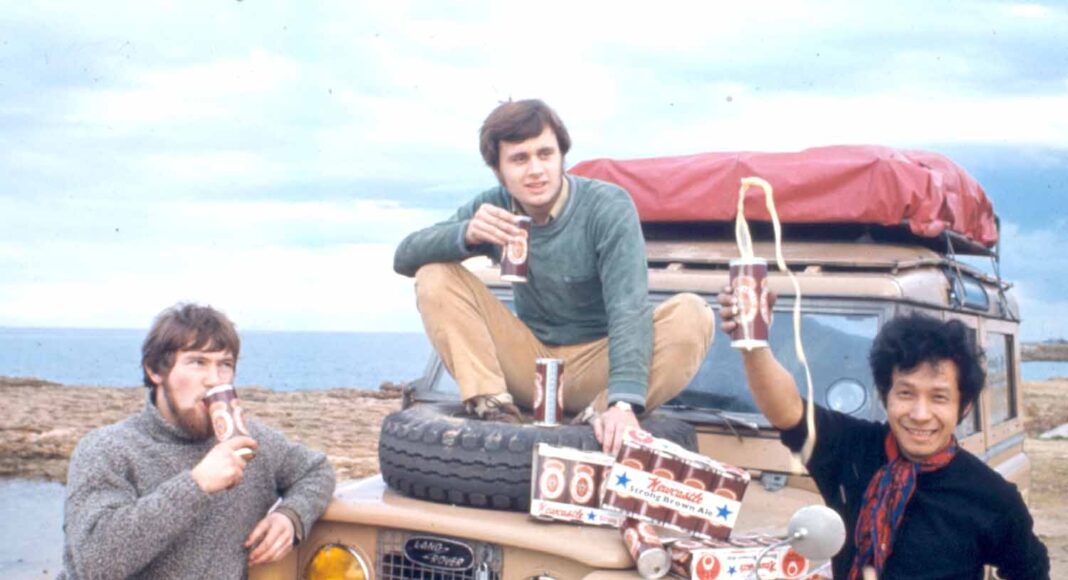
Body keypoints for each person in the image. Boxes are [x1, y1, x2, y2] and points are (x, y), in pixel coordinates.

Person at [394, 99, 714, 454]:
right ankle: (493, 408)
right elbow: (405, 256)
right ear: (499, 170)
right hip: (531, 366)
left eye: (545, 154)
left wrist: (624, 404)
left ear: (562, 156)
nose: (535, 170)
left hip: (600, 366)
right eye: (519, 159)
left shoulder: (607, 206)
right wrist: (467, 233)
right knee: (434, 273)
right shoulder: (494, 206)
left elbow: (629, 308)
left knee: (692, 313)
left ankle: (605, 416)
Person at [717, 292, 1049, 579]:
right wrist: (753, 343)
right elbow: (787, 410)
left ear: (963, 407)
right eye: (905, 393)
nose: (920, 414)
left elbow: (1032, 571)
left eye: (939, 397)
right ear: (885, 395)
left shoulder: (991, 498)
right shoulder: (852, 450)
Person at [59, 304, 336, 579]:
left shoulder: (251, 441)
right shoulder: (107, 449)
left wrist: (290, 517)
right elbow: (96, 563)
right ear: (156, 371)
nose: (214, 380)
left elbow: (317, 471)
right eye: (197, 362)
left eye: (225, 365)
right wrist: (197, 485)